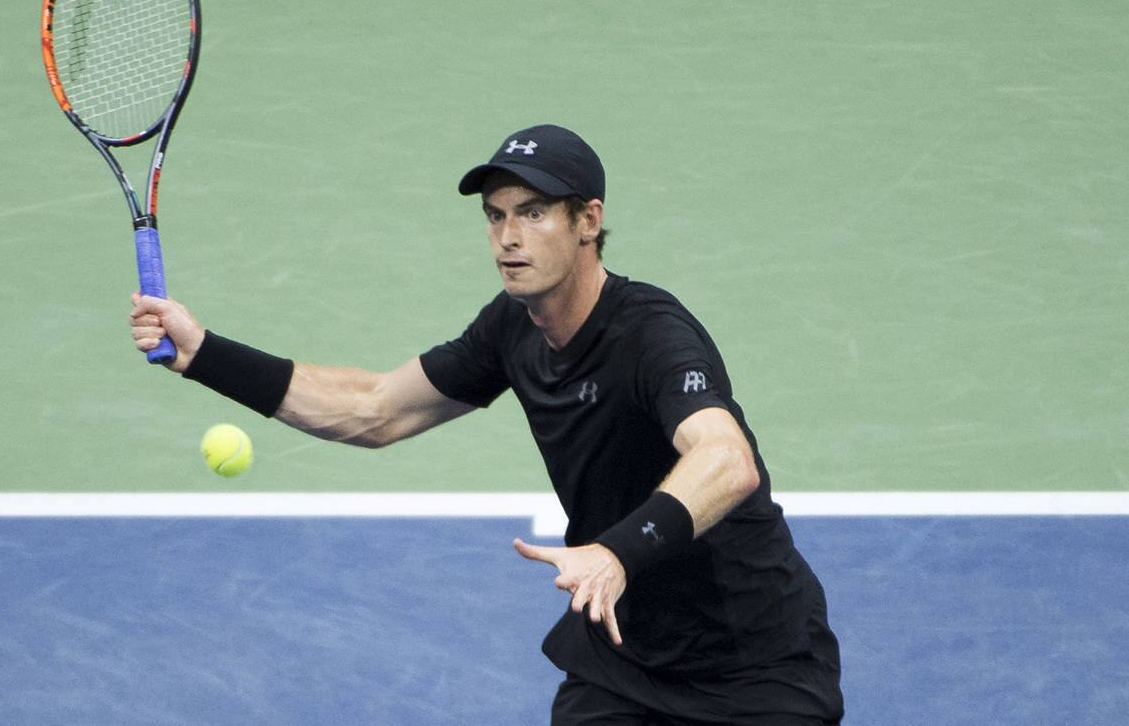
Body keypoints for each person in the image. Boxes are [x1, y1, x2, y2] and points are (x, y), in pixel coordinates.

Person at [129, 124, 844, 725]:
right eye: (496, 215)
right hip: (626, 658)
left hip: (755, 666)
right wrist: (203, 354)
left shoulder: (653, 335)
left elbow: (727, 460)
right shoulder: (512, 327)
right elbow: (375, 408)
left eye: (533, 213)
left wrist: (616, 553)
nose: (508, 236)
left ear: (588, 221)